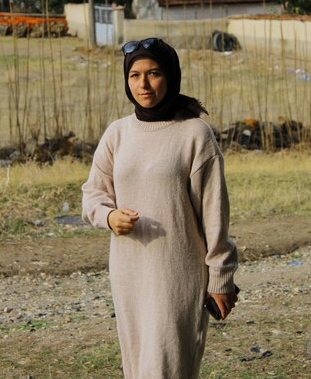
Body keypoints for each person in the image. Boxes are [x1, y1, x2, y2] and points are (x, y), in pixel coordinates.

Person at [82, 37, 238, 379]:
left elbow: (215, 214)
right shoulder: (117, 134)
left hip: (177, 275)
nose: (143, 84)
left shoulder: (194, 134)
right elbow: (93, 194)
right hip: (129, 273)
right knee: (137, 367)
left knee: (166, 368)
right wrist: (109, 216)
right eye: (135, 75)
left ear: (170, 76)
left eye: (153, 73)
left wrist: (221, 278)